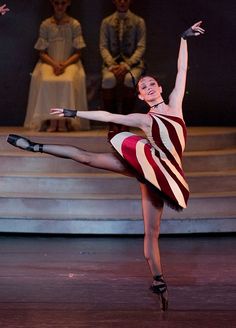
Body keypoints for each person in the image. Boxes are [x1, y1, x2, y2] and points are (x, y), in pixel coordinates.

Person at [7, 21, 205, 311]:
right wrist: (75, 111)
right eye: (143, 87)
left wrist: (183, 38)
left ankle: (158, 280)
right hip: (146, 165)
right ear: (140, 96)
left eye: (151, 84)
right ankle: (38, 147)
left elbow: (182, 70)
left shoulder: (176, 105)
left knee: (153, 233)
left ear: (160, 88)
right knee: (87, 157)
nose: (148, 88)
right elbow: (107, 114)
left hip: (165, 175)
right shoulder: (142, 119)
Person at [24, 0, 89, 132]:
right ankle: (52, 120)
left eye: (63, 3)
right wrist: (54, 64)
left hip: (70, 62)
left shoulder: (74, 24)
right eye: (57, 3)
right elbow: (42, 52)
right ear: (52, 4)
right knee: (47, 80)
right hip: (49, 62)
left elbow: (78, 52)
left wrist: (64, 64)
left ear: (68, 4)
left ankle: (64, 121)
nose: (60, 6)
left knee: (67, 80)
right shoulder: (46, 24)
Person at [100, 0, 146, 133]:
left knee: (129, 79)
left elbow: (141, 47)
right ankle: (112, 121)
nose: (122, 2)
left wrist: (127, 65)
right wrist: (112, 64)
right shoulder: (106, 22)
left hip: (133, 64)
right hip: (112, 65)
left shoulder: (138, 22)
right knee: (108, 80)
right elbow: (103, 46)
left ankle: (126, 120)